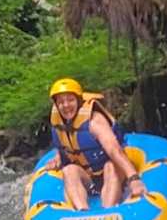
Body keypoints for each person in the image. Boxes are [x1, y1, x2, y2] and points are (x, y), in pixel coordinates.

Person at [44, 78, 146, 210]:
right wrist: (58, 158)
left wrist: (134, 178)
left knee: (110, 166)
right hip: (89, 177)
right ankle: (82, 212)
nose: (66, 105)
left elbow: (114, 150)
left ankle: (107, 211)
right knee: (69, 170)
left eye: (70, 100)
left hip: (111, 171)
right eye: (61, 102)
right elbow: (65, 146)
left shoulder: (94, 121)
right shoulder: (59, 123)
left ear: (79, 100)